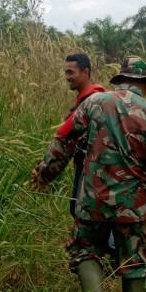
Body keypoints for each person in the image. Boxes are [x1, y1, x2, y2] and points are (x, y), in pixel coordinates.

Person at [32, 57, 146, 292]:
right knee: (134, 258)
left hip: (92, 200)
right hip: (131, 205)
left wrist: (45, 173)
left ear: (120, 80)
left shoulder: (93, 103)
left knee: (84, 249)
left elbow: (64, 138)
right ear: (144, 85)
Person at [31, 53, 108, 218]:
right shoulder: (102, 98)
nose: (67, 77)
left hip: (89, 168)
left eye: (71, 72)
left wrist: (43, 172)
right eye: (66, 72)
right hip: (105, 169)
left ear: (85, 72)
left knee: (81, 214)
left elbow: (65, 139)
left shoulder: (89, 102)